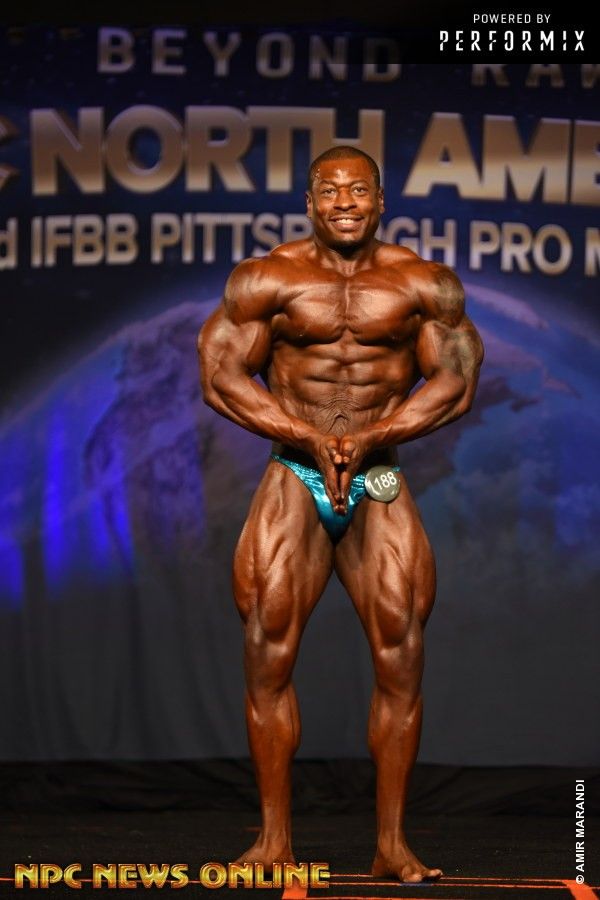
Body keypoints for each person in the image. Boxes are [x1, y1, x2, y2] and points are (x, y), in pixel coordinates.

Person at [198, 146, 483, 883]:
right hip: (295, 475)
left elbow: (454, 381)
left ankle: (392, 845)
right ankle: (272, 842)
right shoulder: (268, 278)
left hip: (378, 475)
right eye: (331, 190)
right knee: (267, 653)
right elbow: (221, 374)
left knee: (401, 655)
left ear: (381, 200)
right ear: (310, 201)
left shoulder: (423, 283)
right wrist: (307, 436)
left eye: (359, 190)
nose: (346, 202)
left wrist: (374, 433)